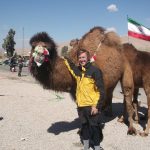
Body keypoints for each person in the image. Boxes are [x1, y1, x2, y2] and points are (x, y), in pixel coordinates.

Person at [64, 49, 105, 150]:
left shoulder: (95, 71)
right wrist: (65, 59)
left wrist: (97, 106)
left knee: (95, 128)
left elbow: (102, 91)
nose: (81, 59)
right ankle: (86, 147)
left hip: (92, 106)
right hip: (81, 106)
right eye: (80, 58)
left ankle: (97, 147)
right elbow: (71, 67)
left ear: (88, 58)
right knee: (84, 126)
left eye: (83, 57)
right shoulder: (78, 71)